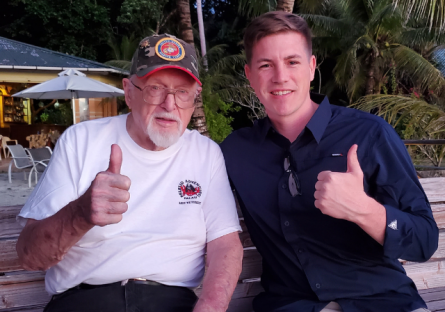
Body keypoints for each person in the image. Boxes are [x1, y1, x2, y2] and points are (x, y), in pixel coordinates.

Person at [220, 11, 438, 312]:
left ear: (311, 68)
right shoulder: (236, 151)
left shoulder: (369, 134)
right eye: (266, 65)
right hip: (292, 305)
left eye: (292, 62)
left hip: (383, 302)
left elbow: (425, 241)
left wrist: (364, 210)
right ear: (249, 75)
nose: (280, 76)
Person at [17, 33, 243, 312]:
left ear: (194, 97)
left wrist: (210, 306)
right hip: (86, 301)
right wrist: (80, 214)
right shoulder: (81, 141)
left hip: (172, 303)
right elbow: (29, 256)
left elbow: (226, 245)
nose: (169, 105)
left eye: (182, 92)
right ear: (129, 91)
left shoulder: (205, 153)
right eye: (155, 88)